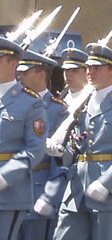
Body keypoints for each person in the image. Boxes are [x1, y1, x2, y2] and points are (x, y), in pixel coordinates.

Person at [53, 43, 112, 240]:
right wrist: (62, 152)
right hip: (77, 189)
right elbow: (77, 146)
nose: (90, 72)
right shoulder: (82, 102)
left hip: (110, 192)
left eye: (97, 68)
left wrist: (107, 183)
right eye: (88, 68)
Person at [16, 49, 68, 240]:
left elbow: (61, 161)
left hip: (38, 191)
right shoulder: (13, 105)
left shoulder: (58, 110)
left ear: (43, 74)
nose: (20, 76)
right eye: (19, 72)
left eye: (26, 72)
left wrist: (51, 196)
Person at [0, 37, 48, 240]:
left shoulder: (30, 102)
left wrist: (5, 176)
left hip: (8, 192)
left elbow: (35, 148)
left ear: (13, 63)